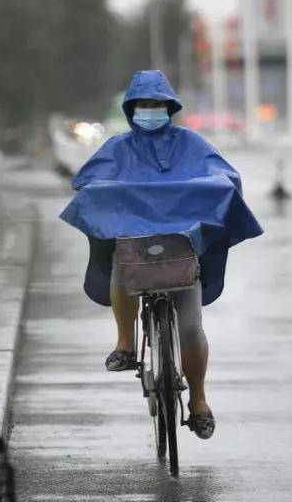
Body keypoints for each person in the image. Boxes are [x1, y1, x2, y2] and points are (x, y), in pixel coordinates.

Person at [60, 70, 263, 441]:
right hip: (134, 249)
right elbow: (87, 181)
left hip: (181, 251)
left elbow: (225, 176)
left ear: (170, 108)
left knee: (190, 327)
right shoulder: (117, 149)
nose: (150, 111)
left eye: (157, 105)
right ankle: (124, 343)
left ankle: (199, 401)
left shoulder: (192, 143)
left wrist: (213, 190)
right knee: (121, 261)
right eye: (143, 105)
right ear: (131, 109)